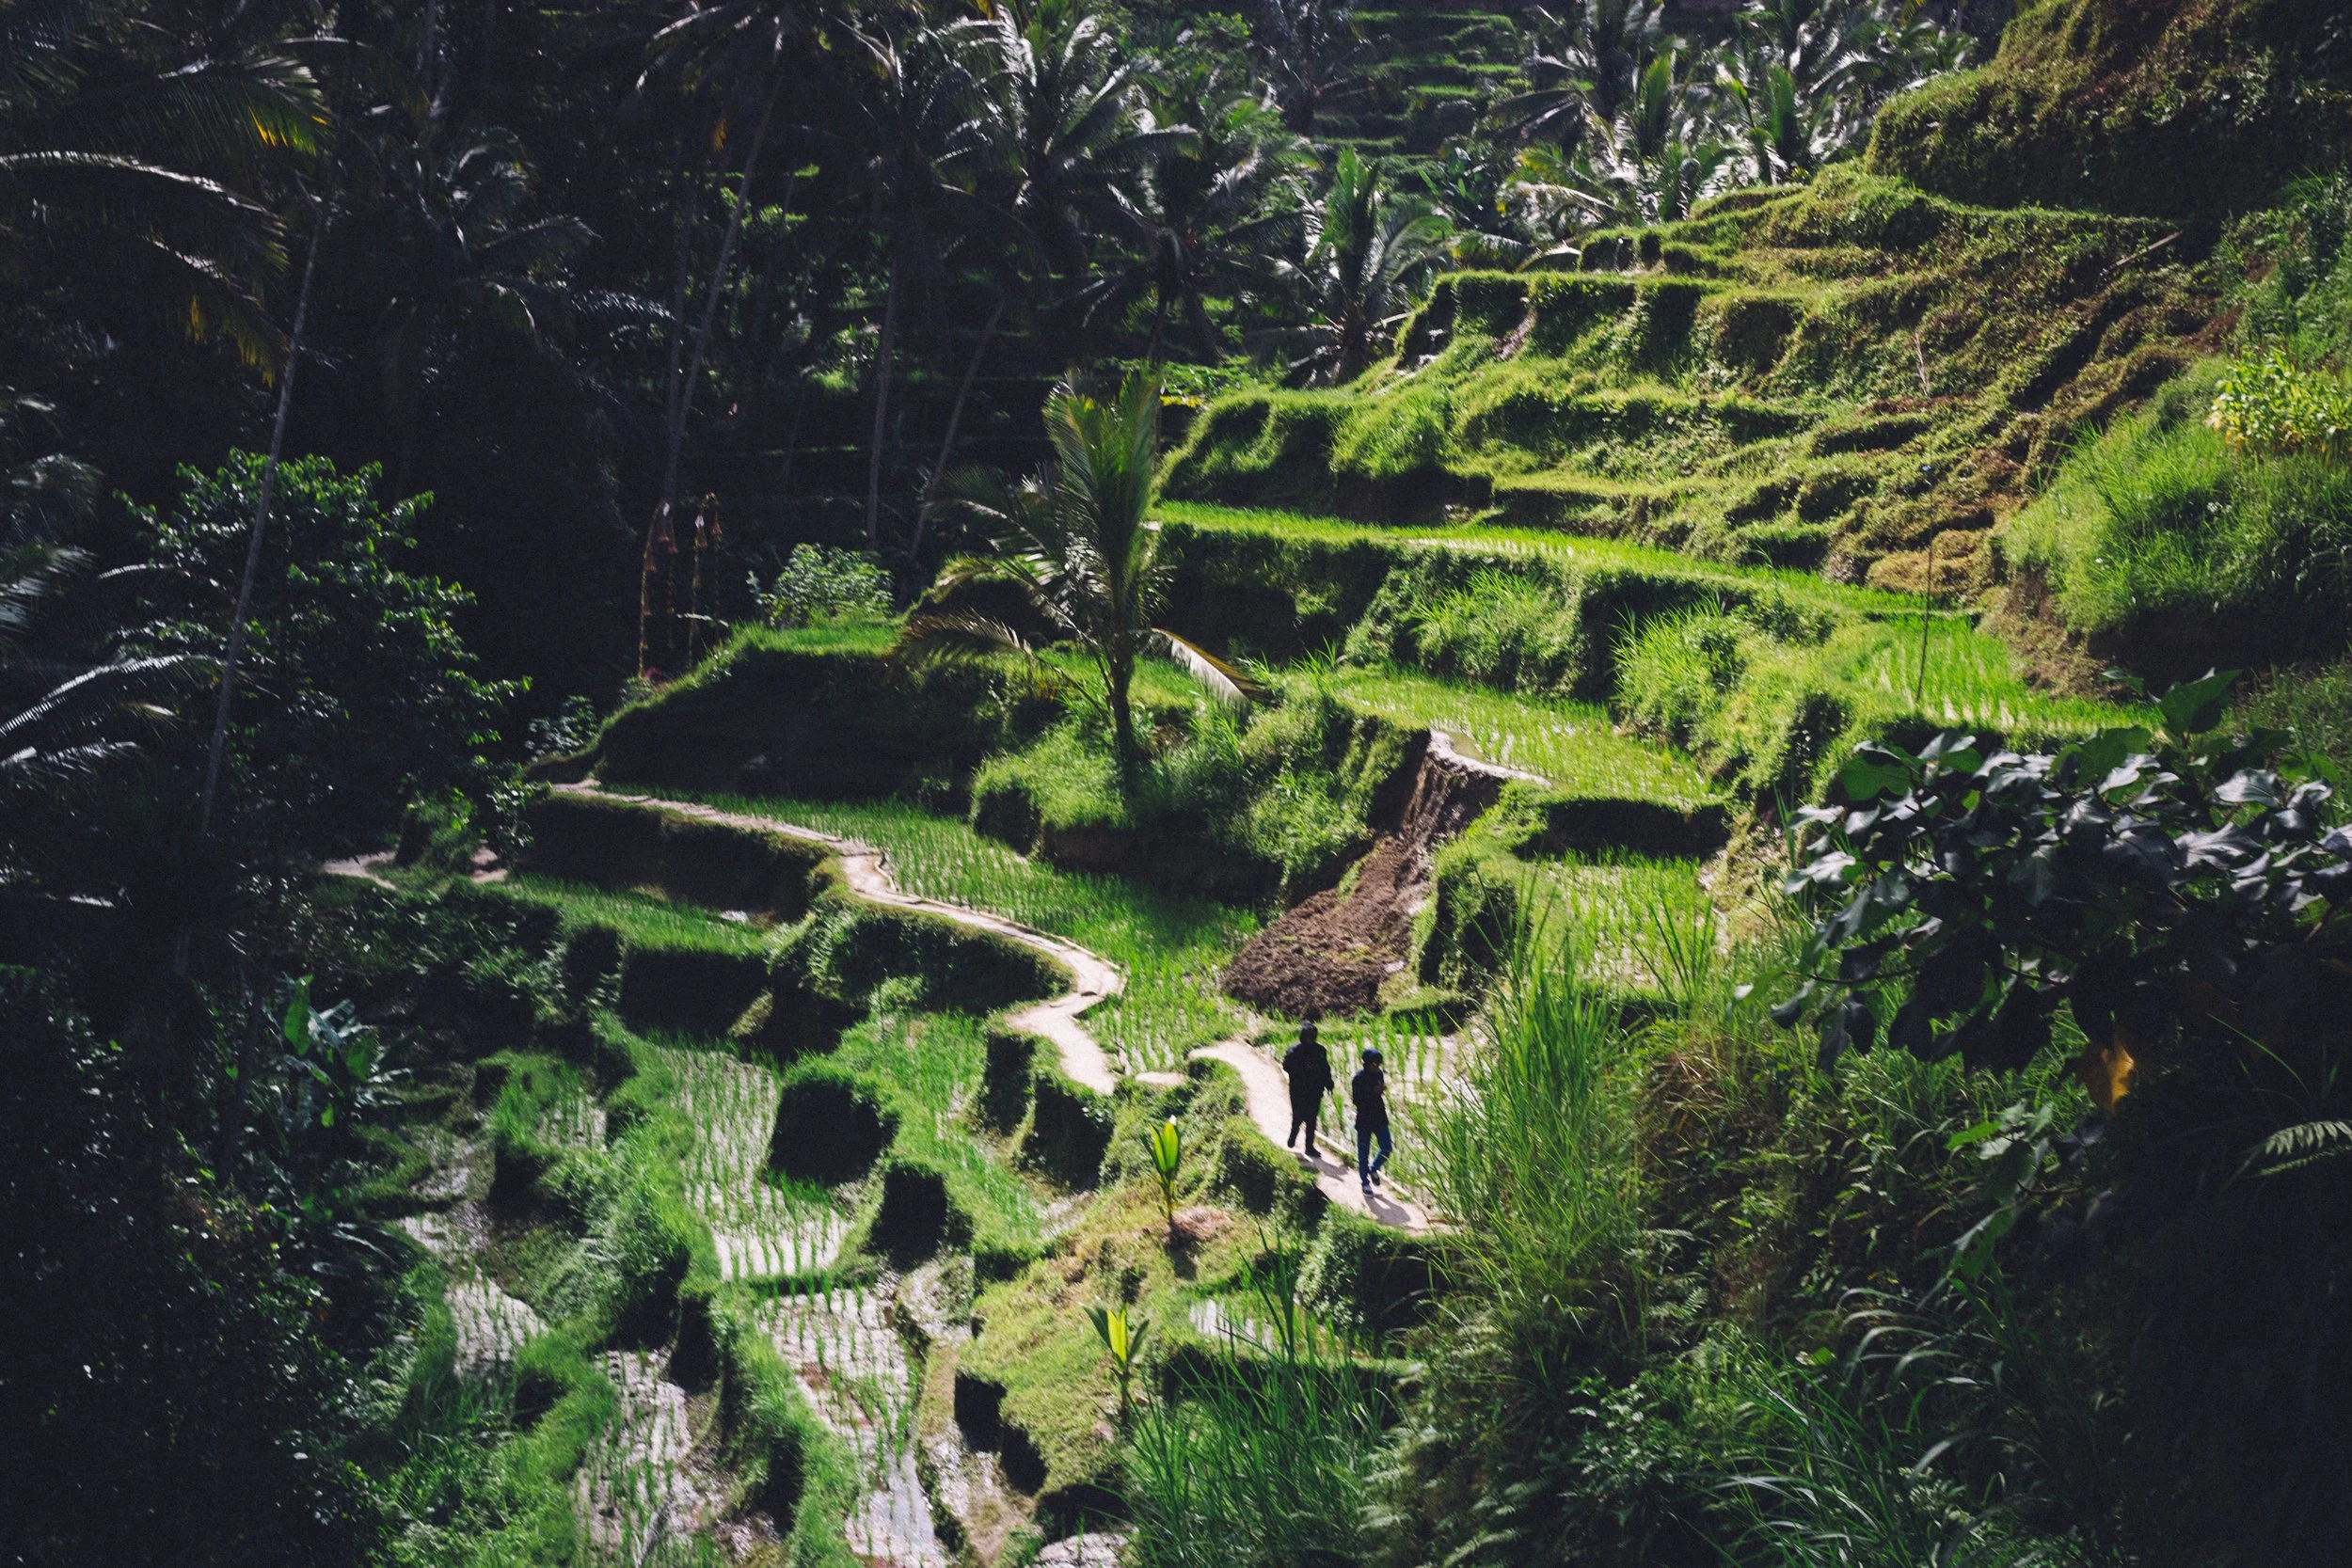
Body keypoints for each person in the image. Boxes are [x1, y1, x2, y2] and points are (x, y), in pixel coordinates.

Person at [1280, 1009, 1333, 1158]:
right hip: (1298, 1089)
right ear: (1303, 1037)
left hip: (1315, 1090)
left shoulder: (1320, 1051)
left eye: (1313, 1037)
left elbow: (1325, 1069)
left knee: (1312, 1119)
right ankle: (1293, 1134)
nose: (1311, 1039)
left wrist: (1329, 1082)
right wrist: (1303, 1068)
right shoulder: (1295, 1051)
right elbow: (1286, 1066)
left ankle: (1309, 1147)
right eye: (1308, 1037)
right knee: (1298, 1115)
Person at [1352, 1046, 1391, 1196]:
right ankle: (1365, 1182)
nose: (1376, 1066)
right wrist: (1372, 1092)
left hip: (1380, 1117)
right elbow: (1356, 1100)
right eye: (1373, 1063)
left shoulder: (1379, 1074)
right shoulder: (1358, 1079)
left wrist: (1380, 1090)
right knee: (1363, 1153)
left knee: (1387, 1148)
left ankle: (1373, 1168)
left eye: (1378, 1063)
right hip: (1364, 1119)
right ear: (1366, 1063)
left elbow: (1378, 1090)